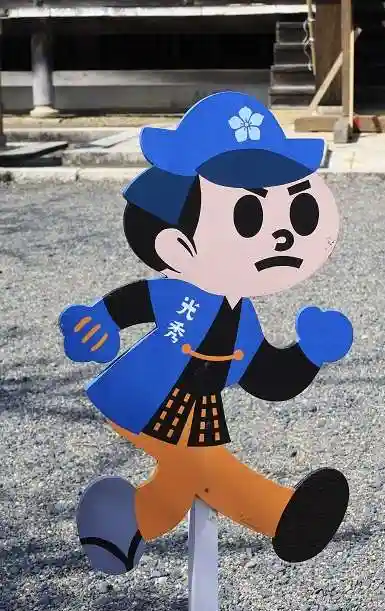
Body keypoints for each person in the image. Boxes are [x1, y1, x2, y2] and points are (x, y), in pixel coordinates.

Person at [59, 91, 354, 576]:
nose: (282, 235)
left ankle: (123, 524)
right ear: (176, 245)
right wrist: (100, 321)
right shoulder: (181, 296)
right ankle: (279, 516)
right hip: (144, 399)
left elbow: (264, 375)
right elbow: (135, 301)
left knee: (192, 474)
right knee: (201, 468)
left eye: (300, 213)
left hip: (193, 412)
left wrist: (308, 354)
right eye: (249, 217)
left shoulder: (244, 317)